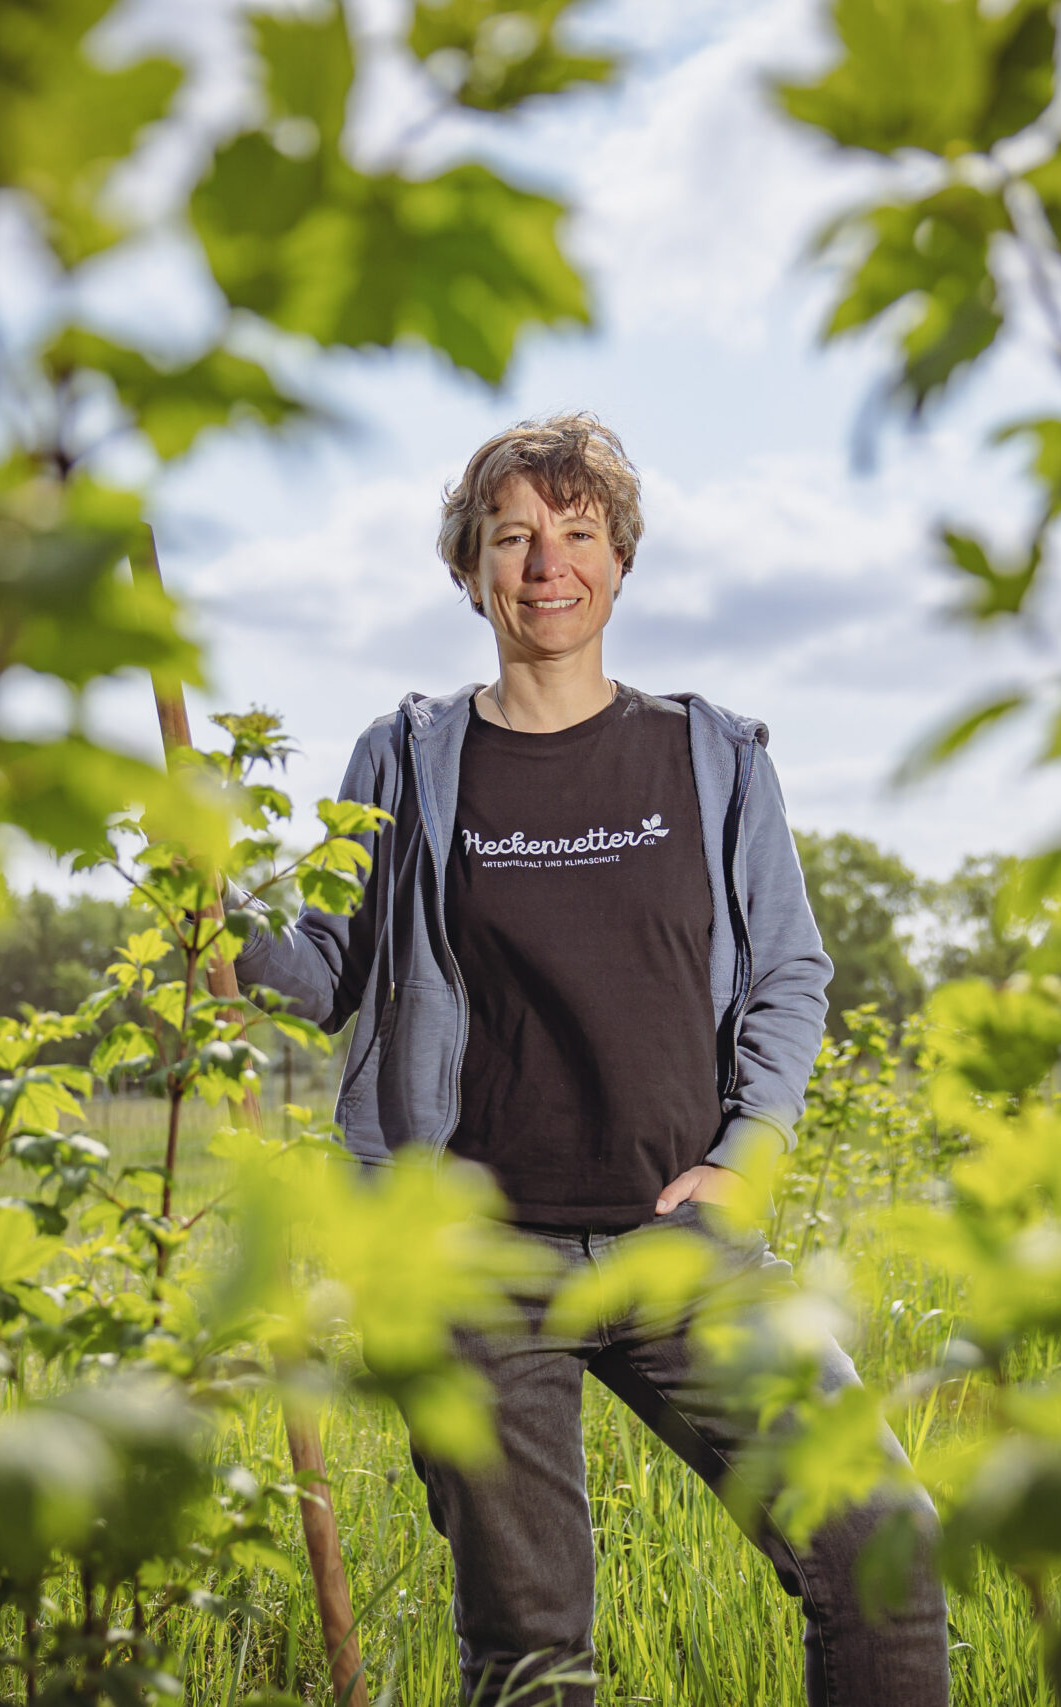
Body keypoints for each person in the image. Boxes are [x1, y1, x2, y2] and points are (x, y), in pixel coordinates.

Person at [233, 414, 948, 1706]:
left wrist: (748, 1158)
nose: (545, 561)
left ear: (620, 561)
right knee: (533, 1657)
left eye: (575, 533)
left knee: (883, 1551)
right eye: (512, 537)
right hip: (480, 1264)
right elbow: (330, 972)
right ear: (469, 572)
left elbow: (791, 975)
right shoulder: (403, 760)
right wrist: (219, 924)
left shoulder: (713, 757)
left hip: (690, 1249)